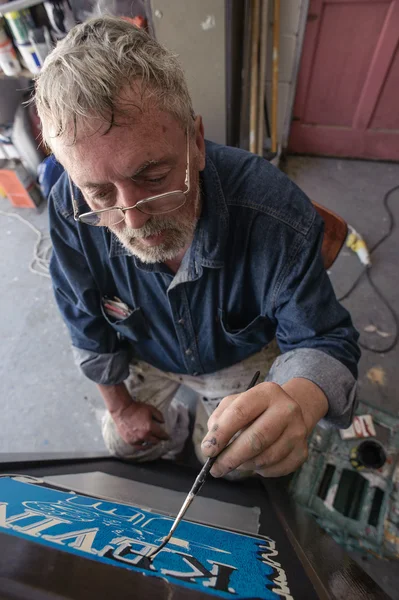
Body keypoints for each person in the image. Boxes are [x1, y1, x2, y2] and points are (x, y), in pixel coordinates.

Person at [34, 16, 360, 480]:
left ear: (197, 142)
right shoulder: (69, 208)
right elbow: (85, 323)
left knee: (236, 465)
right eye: (101, 194)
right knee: (122, 444)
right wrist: (122, 406)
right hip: (148, 354)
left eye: (152, 177)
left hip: (237, 358)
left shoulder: (273, 212)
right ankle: (181, 424)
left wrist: (298, 402)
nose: (134, 219)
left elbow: (323, 338)